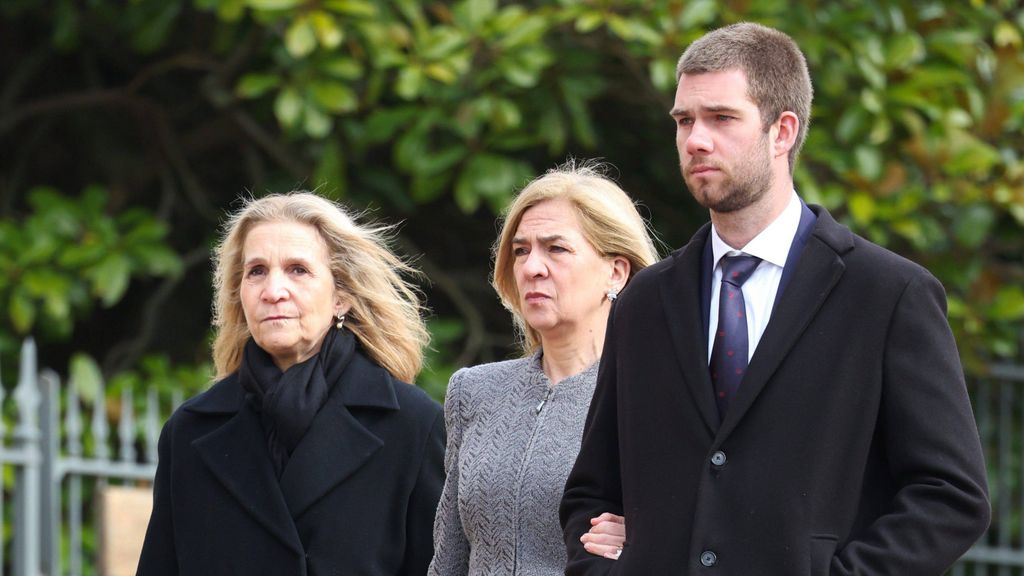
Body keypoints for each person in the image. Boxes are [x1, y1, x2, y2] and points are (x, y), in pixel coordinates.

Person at [560, 22, 990, 575]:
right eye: (684, 120)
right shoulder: (645, 300)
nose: (695, 139)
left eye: (721, 118)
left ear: (782, 131)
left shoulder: (888, 295)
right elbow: (591, 490)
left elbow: (952, 495)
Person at [138, 192, 445, 575]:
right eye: (257, 271)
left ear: (341, 297)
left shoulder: (413, 427)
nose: (273, 291)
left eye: (298, 270)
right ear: (240, 295)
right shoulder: (190, 432)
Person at [428, 163, 659, 575]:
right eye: (521, 250)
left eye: (556, 249)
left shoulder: (655, 397)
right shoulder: (473, 391)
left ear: (617, 271)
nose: (532, 267)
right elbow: (449, 557)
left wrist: (646, 541)